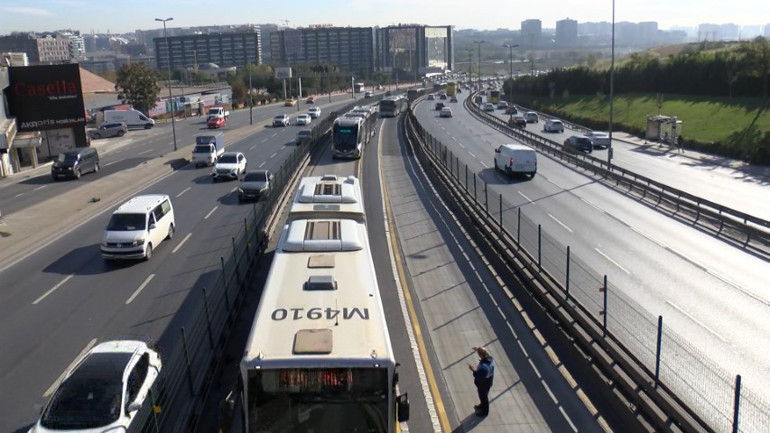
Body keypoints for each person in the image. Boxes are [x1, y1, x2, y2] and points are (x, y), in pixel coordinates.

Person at [468, 346, 495, 417]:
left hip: (484, 384)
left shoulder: (484, 368)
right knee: (484, 396)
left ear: (480, 355)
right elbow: (485, 353)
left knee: (483, 397)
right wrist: (478, 349)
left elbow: (478, 376)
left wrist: (473, 370)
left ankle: (484, 412)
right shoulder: (490, 359)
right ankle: (482, 405)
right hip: (489, 381)